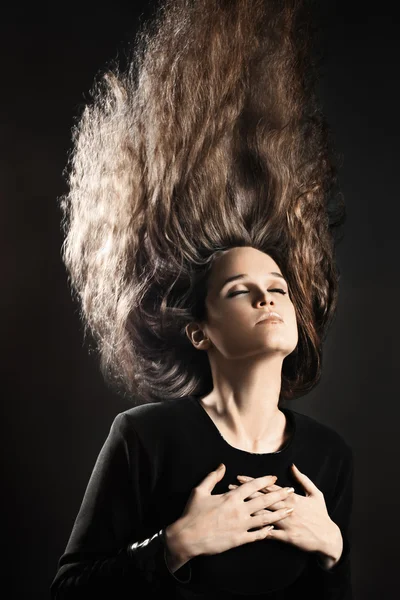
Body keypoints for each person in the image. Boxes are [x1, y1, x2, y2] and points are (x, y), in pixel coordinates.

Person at [50, 0, 354, 598]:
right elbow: (70, 590)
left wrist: (333, 549)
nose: (269, 298)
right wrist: (178, 545)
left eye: (277, 289)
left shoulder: (329, 455)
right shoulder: (145, 439)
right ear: (200, 330)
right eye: (242, 292)